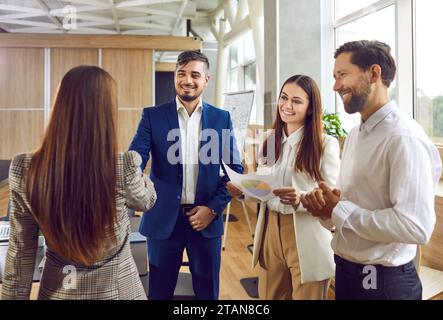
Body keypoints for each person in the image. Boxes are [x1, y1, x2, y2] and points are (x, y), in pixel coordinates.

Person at [301, 40, 443, 300]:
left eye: (342, 75)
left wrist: (338, 209)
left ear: (374, 74)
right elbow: (353, 204)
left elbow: (416, 226)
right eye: (334, 77)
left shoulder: (404, 137)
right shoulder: (356, 134)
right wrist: (325, 209)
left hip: (384, 285)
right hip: (347, 272)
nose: (335, 86)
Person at [1, 66, 156, 300]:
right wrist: (143, 173)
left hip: (59, 292)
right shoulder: (123, 166)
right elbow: (147, 200)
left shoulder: (25, 167)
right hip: (119, 293)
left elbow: (20, 252)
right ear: (107, 113)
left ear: (60, 106)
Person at [129, 50, 243, 300]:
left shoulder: (221, 118)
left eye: (195, 74)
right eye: (182, 73)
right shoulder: (152, 116)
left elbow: (234, 171)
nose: (187, 80)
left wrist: (212, 208)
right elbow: (134, 161)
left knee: (207, 293)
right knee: (159, 292)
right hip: (163, 220)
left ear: (206, 80)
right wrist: (136, 195)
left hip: (206, 220)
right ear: (174, 77)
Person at [227, 75, 340, 299]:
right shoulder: (269, 139)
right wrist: (244, 192)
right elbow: (263, 187)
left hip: (305, 234)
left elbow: (331, 198)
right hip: (270, 229)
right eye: (284, 98)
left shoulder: (325, 144)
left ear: (310, 108)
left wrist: (301, 198)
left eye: (296, 101)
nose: (287, 106)